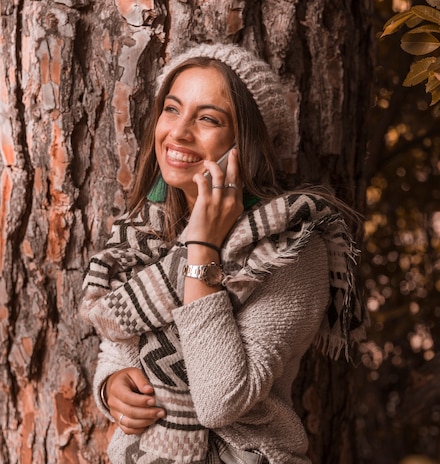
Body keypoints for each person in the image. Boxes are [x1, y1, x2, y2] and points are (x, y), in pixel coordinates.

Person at [79, 42, 366, 464]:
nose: (178, 132)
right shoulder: (146, 232)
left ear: (245, 141)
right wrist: (111, 386)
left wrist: (202, 248)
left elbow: (219, 400)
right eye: (172, 109)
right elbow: (118, 344)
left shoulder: (289, 249)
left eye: (208, 119)